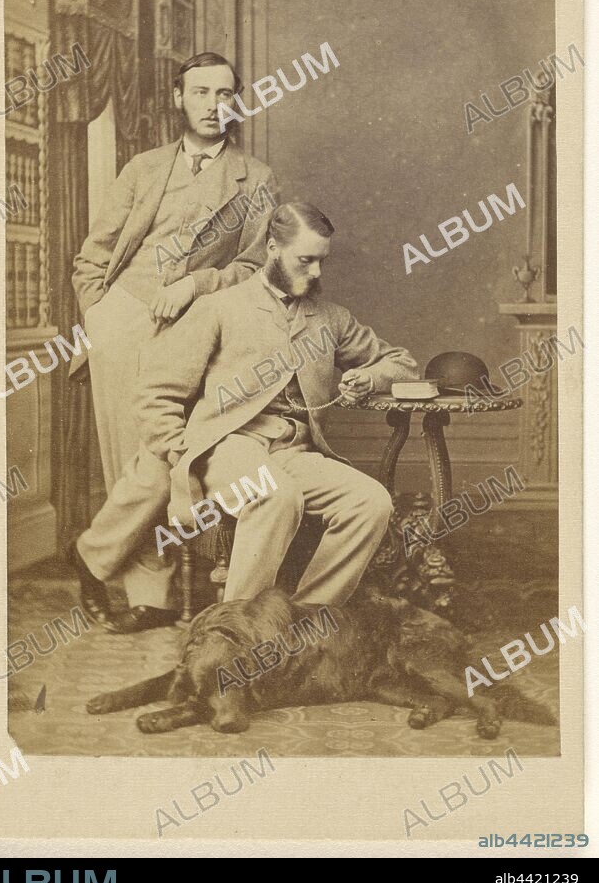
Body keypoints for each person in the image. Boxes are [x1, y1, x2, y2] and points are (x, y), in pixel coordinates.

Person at [75, 201, 419, 617]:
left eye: (321, 261)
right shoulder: (220, 308)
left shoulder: (330, 318)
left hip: (296, 451)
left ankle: (306, 619)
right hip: (228, 449)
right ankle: (237, 631)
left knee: (371, 501)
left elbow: (400, 363)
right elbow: (156, 393)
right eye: (305, 260)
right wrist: (181, 453)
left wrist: (370, 377)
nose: (316, 272)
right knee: (275, 495)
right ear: (273, 249)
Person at [70, 52, 279, 631]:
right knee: (127, 459)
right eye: (201, 92)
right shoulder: (143, 168)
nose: (214, 104)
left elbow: (256, 266)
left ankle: (92, 555)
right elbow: (93, 255)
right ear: (178, 98)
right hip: (122, 324)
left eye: (225, 93)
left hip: (195, 334)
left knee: (168, 458)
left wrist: (195, 284)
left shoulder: (256, 178)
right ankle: (151, 597)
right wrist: (101, 315)